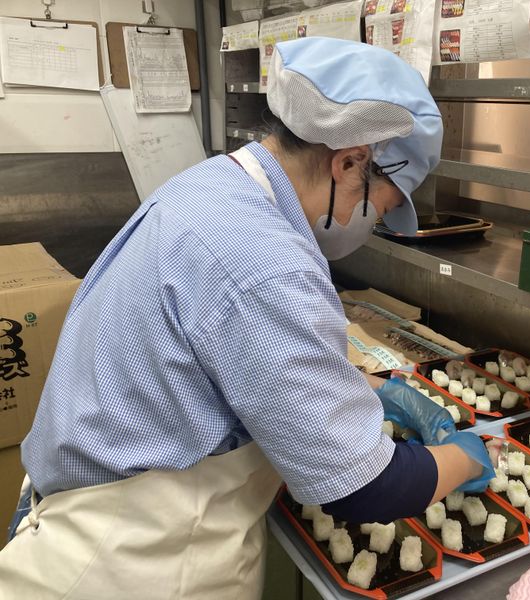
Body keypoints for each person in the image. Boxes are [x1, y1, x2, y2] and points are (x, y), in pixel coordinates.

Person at [0, 37, 492, 599]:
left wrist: (369, 389)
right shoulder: (264, 260)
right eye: (381, 208)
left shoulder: (212, 185)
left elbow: (219, 361)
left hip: (77, 512)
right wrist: (463, 459)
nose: (371, 225)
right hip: (129, 558)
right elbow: (364, 489)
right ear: (350, 161)